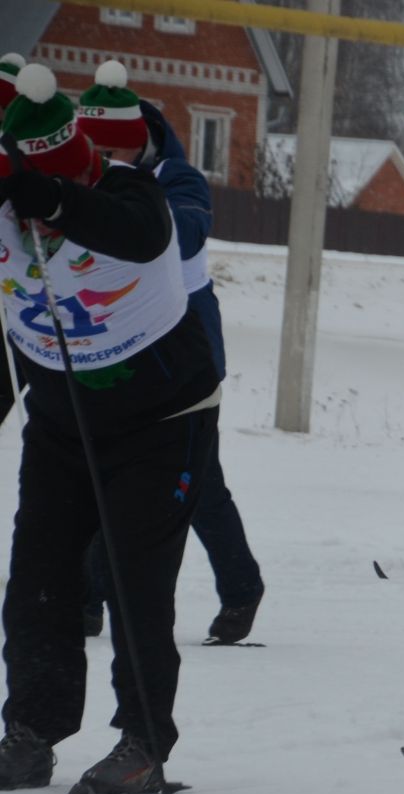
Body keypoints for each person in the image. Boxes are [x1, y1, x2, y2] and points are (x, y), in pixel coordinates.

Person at [0, 66, 219, 794]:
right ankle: (31, 731)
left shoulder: (135, 193)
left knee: (134, 583)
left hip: (163, 423)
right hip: (62, 422)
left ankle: (143, 742)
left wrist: (58, 199)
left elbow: (141, 231)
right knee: (38, 579)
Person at [75, 60, 267, 646]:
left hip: (186, 356)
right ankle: (87, 599)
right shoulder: (90, 178)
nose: (103, 161)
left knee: (198, 483)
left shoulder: (179, 179)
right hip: (118, 347)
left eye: (113, 150)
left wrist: (115, 216)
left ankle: (241, 589)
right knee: (99, 471)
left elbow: (182, 231)